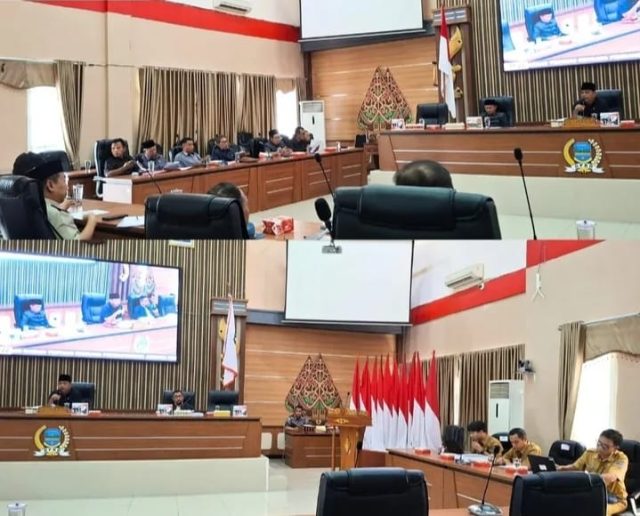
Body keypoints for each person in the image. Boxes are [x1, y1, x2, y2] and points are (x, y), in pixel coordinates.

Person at [13, 152, 97, 240]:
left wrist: (60, 208)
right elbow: (76, 244)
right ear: (50, 185)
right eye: (64, 180)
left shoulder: (22, 206)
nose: (67, 185)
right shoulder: (53, 214)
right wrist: (92, 219)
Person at [558, 429, 628, 515]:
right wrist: (558, 468)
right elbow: (574, 467)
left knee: (595, 511)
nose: (600, 447)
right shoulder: (590, 453)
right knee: (566, 503)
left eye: (605, 446)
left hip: (614, 498)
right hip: (592, 493)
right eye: (599, 443)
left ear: (615, 448)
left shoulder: (621, 459)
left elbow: (610, 477)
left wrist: (586, 480)